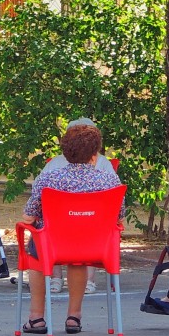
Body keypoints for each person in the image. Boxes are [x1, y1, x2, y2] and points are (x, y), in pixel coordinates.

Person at [19, 123, 124, 336]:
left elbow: (29, 217)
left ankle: (36, 318)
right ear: (95, 155)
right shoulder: (110, 180)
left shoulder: (48, 179)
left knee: (36, 248)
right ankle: (74, 317)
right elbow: (120, 216)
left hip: (54, 245)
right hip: (93, 245)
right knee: (78, 258)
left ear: (66, 153)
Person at [38, 116, 117, 295]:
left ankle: (58, 278)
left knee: (43, 226)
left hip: (63, 227)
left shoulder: (52, 172)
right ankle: (77, 280)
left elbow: (36, 202)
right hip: (91, 227)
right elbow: (117, 206)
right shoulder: (107, 174)